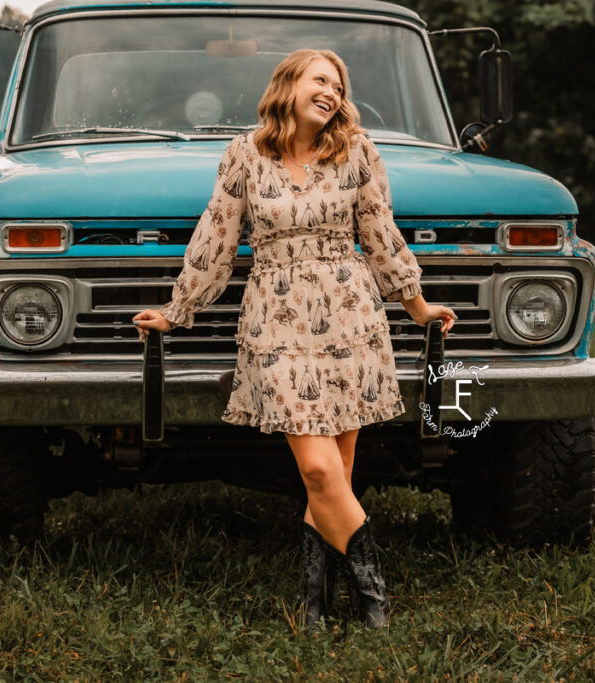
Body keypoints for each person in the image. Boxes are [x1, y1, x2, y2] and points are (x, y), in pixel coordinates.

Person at [133, 49, 456, 630]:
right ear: (288, 84)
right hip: (275, 321)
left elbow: (381, 234)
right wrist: (177, 311)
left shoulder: (356, 151)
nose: (331, 91)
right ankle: (376, 602)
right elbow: (216, 239)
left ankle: (315, 608)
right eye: (320, 79)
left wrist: (418, 305)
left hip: (352, 314)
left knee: (338, 475)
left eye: (338, 84)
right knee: (318, 471)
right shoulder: (246, 155)